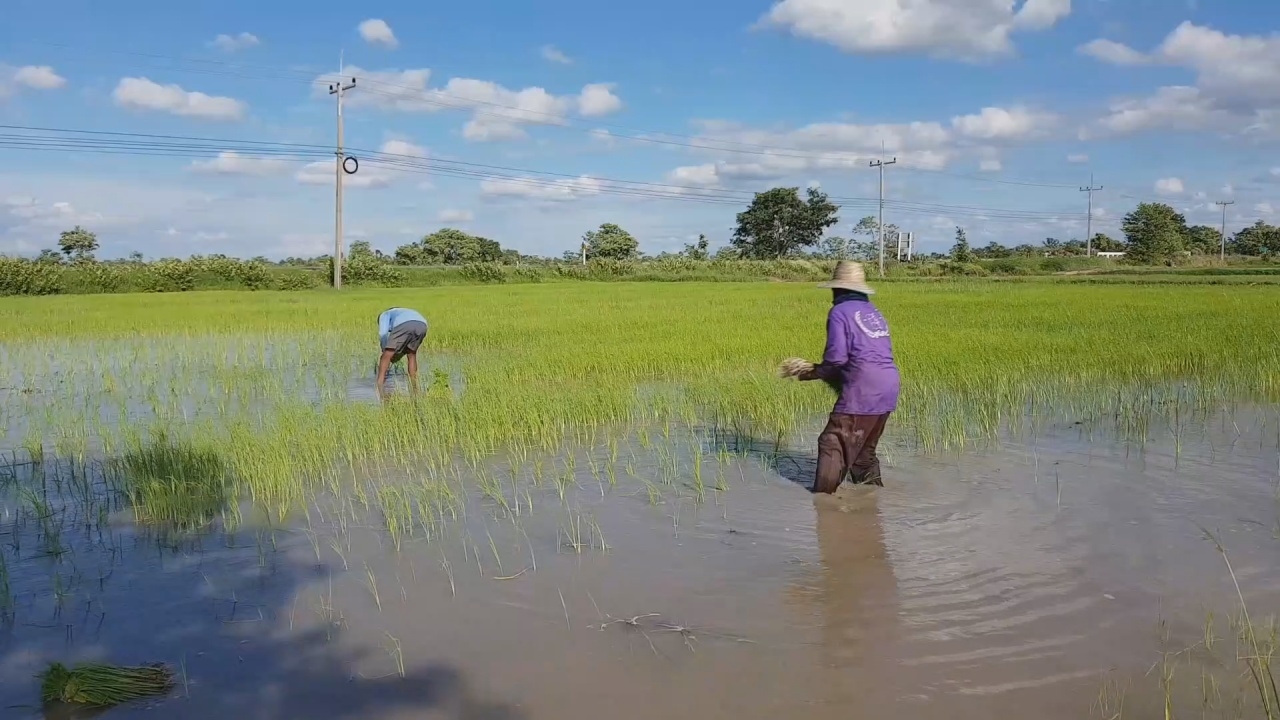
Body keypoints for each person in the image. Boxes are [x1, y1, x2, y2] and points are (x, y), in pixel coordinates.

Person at [797, 261, 900, 493]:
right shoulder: (873, 312)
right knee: (863, 453)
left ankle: (823, 502)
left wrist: (812, 372)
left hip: (863, 387)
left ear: (838, 289)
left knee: (832, 443)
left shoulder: (839, 312)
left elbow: (836, 358)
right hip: (889, 386)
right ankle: (872, 500)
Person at [375, 306, 428, 397]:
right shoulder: (402, 311)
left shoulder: (384, 314)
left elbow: (383, 334)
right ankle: (414, 385)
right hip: (422, 325)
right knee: (411, 354)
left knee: (387, 354)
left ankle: (379, 383)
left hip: (405, 324)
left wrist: (385, 350)